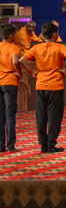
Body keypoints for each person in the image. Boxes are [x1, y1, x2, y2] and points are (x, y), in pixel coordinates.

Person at [20, 22, 66, 154]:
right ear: (55, 34)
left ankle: (43, 144)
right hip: (55, 85)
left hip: (40, 84)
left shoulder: (36, 47)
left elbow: (21, 60)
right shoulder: (59, 47)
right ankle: (51, 143)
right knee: (54, 116)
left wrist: (33, 72)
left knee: (41, 115)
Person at [0, 24, 21, 152]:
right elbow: (15, 61)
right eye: (15, 34)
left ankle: (1, 146)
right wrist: (19, 72)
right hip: (10, 82)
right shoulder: (14, 48)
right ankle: (11, 145)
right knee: (10, 114)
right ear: (10, 36)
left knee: (0, 115)